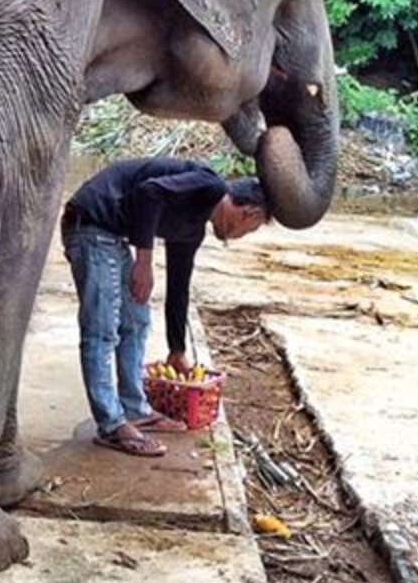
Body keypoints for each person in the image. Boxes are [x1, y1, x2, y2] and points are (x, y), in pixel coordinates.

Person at [61, 158, 270, 457]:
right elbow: (149, 193)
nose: (242, 236)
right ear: (250, 213)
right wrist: (143, 261)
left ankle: (133, 408)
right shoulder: (210, 185)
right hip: (91, 224)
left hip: (111, 236)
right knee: (102, 328)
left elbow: (179, 286)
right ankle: (111, 425)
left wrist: (177, 350)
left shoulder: (193, 230)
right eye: (250, 230)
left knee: (136, 320)